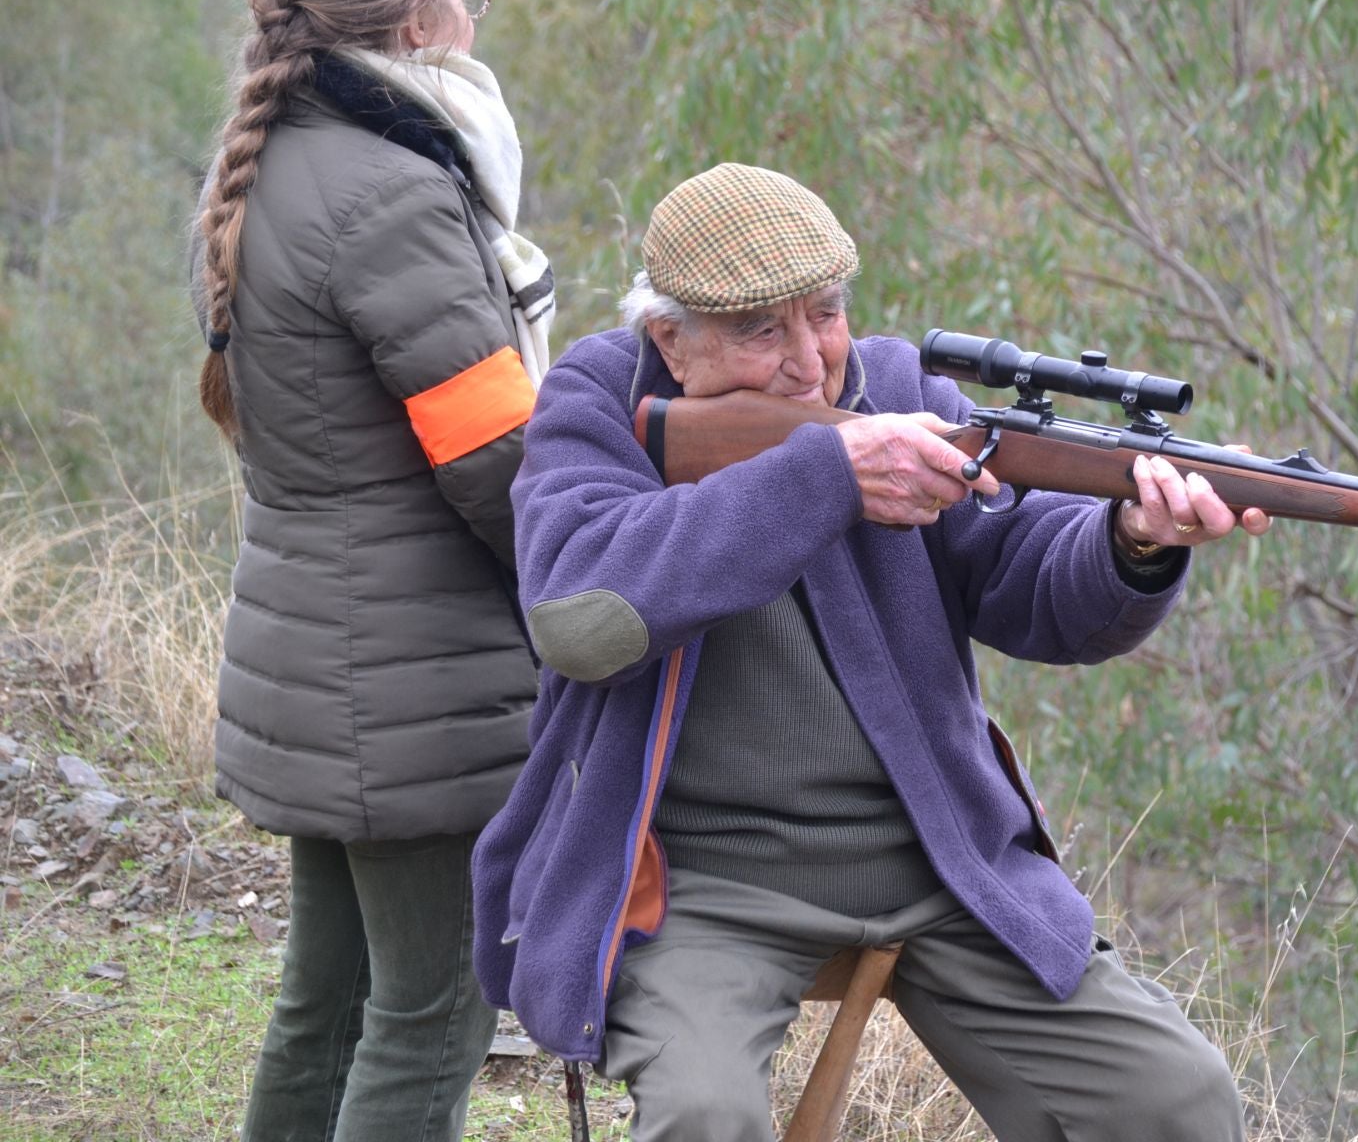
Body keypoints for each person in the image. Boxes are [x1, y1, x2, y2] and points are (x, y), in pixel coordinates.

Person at [473, 162, 1269, 1141]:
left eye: (826, 313)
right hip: (699, 883)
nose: (810, 361)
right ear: (669, 340)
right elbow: (578, 619)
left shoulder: (895, 385)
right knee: (703, 1117)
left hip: (937, 858)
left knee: (1178, 1098)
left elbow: (1029, 579)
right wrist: (824, 477)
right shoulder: (597, 402)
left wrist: (1133, 543)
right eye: (762, 329)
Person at [190, 0, 548, 1137]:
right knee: (431, 1013)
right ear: (415, 25)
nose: (473, 14)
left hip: (316, 657)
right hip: (417, 686)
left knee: (327, 999)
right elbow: (499, 460)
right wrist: (614, 577)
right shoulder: (393, 193)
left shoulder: (278, 160)